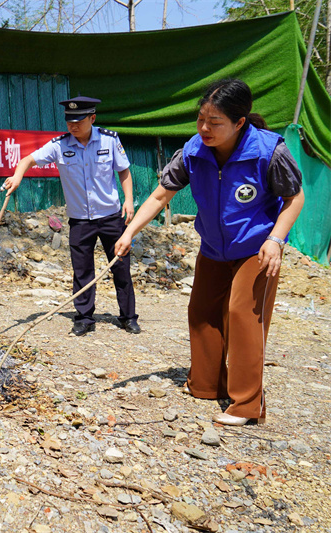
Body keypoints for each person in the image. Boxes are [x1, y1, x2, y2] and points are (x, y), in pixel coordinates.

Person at [115, 79, 304, 426]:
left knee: (242, 314)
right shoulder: (193, 151)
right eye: (201, 119)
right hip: (214, 247)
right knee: (201, 312)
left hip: (256, 249)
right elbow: (160, 195)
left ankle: (247, 404)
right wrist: (129, 232)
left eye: (214, 122)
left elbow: (295, 197)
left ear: (239, 122)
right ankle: (206, 385)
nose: (204, 128)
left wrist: (276, 239)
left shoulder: (268, 151)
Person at [3, 96, 140, 336]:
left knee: (120, 267)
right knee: (82, 271)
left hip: (110, 217)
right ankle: (84, 318)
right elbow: (28, 160)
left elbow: (124, 171)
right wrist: (17, 176)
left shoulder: (109, 140)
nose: (73, 126)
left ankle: (128, 317)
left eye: (78, 121)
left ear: (92, 118)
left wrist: (128, 200)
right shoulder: (59, 145)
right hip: (80, 221)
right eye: (69, 121)